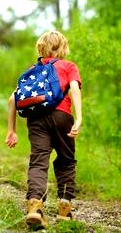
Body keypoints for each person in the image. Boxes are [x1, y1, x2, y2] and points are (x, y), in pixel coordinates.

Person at [5, 30, 82, 229]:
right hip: (62, 116)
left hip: (36, 119)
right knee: (66, 160)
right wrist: (79, 118)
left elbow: (12, 99)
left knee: (39, 160)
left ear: (40, 48)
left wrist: (11, 130)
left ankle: (34, 207)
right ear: (63, 48)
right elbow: (74, 88)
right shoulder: (69, 66)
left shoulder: (32, 70)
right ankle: (65, 208)